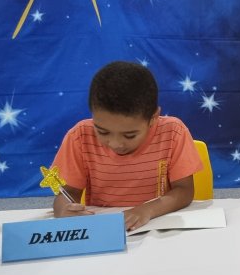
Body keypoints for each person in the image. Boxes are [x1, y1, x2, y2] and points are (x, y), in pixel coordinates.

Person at [51, 61, 203, 231]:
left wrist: (146, 210)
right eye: (103, 132)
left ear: (153, 117)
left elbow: (184, 191)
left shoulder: (173, 132)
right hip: (106, 230)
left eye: (129, 135)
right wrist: (63, 210)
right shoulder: (79, 136)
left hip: (158, 225)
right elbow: (67, 194)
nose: (115, 144)